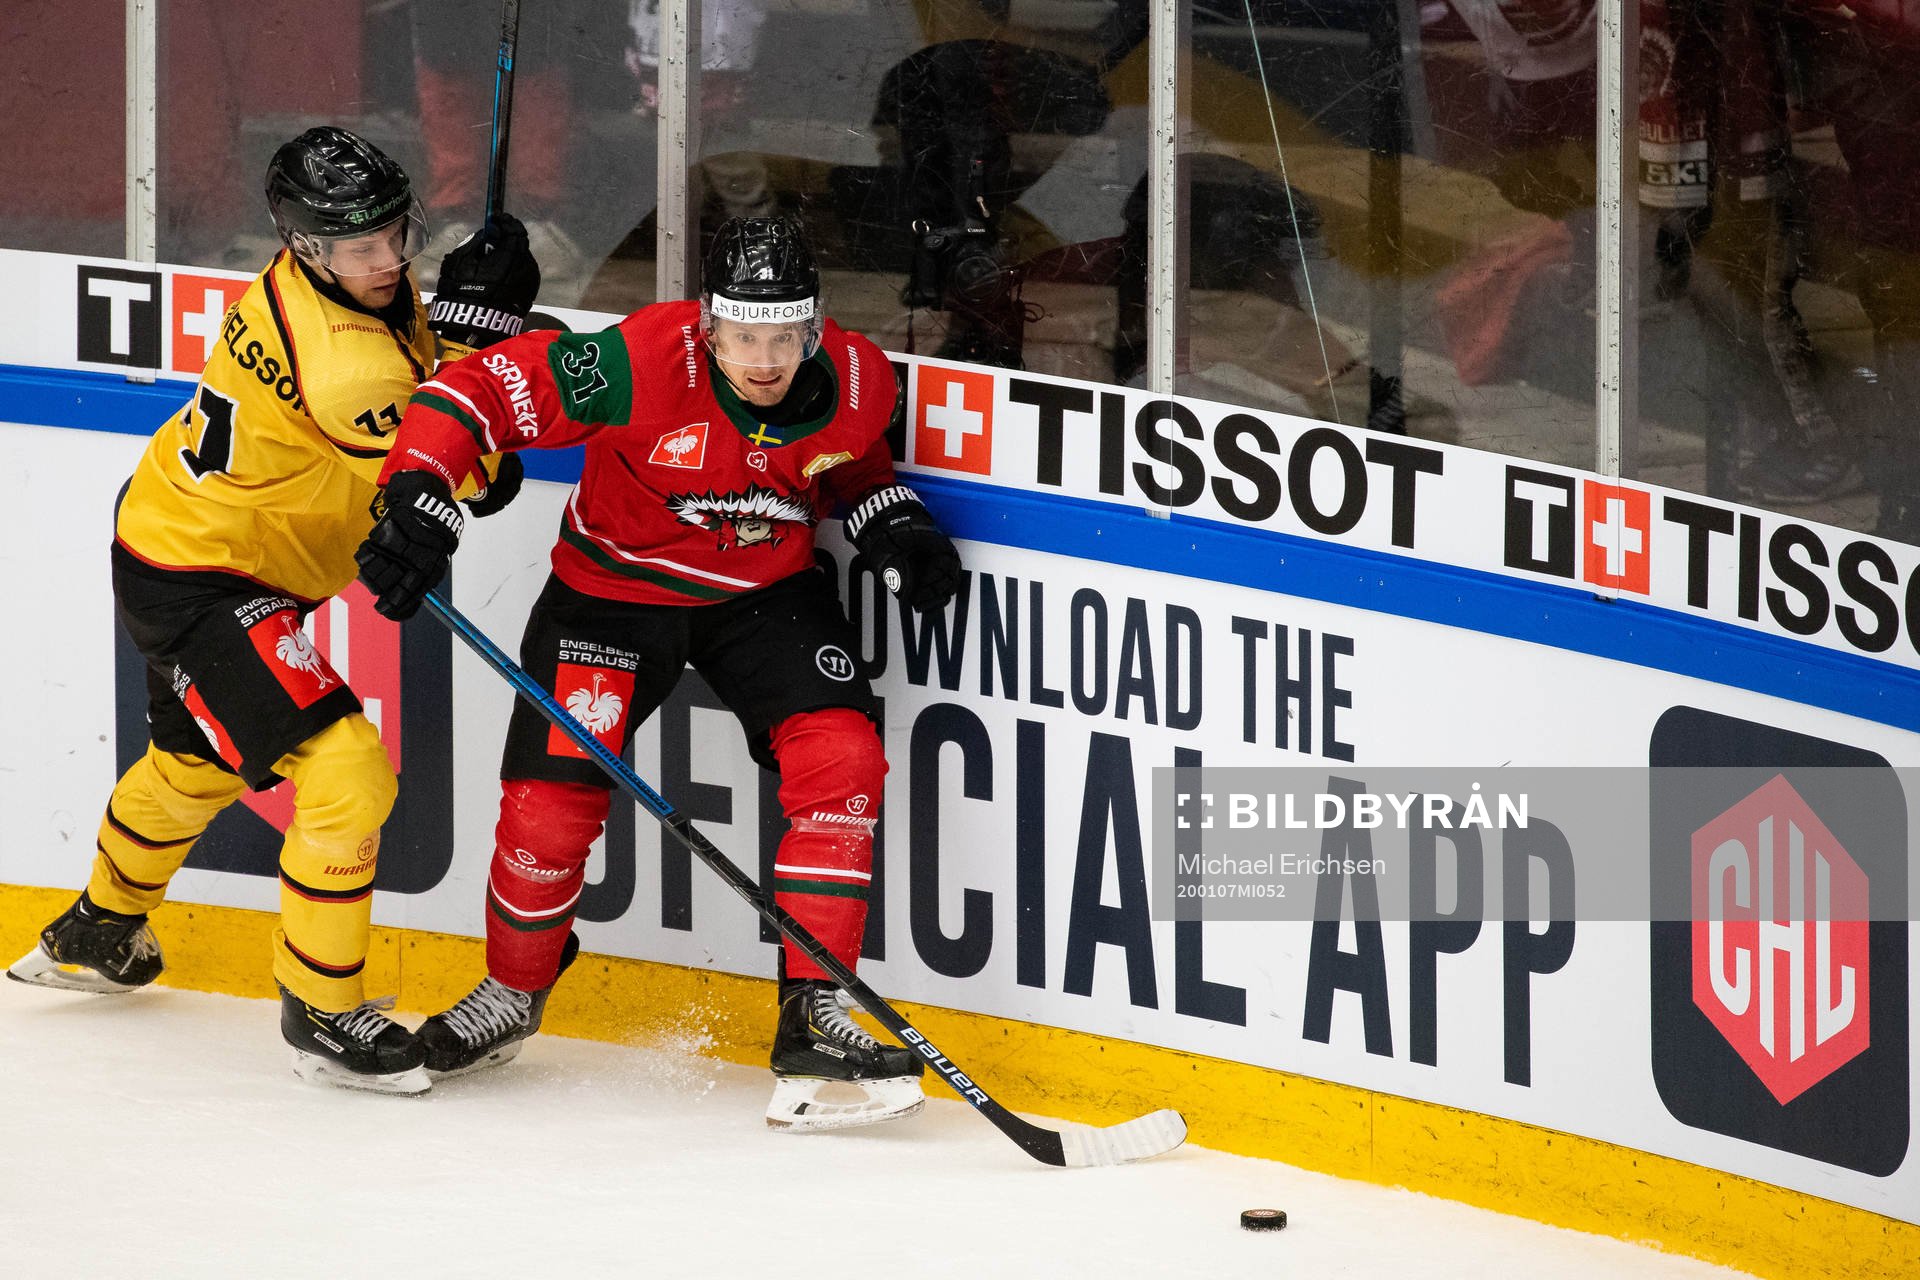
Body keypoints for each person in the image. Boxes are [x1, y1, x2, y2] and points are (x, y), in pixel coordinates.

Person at [354, 215, 962, 1130]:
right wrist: (415, 491)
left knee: (843, 763)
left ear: (816, 327)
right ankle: (515, 990)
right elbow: (473, 392)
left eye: (785, 337)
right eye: (746, 337)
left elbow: (846, 462)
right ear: (708, 327)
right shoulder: (642, 361)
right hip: (609, 597)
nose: (765, 359)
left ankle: (815, 1016)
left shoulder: (858, 376)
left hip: (761, 597)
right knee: (547, 811)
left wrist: (891, 516)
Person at [6, 126, 541, 1095]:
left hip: (180, 537)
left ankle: (100, 926)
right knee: (346, 775)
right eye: (363, 245)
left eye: (396, 232)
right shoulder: (347, 368)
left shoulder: (330, 283)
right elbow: (470, 464)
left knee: (193, 763)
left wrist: (460, 315)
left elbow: (426, 382)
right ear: (304, 247)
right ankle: (322, 1010)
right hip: (202, 573)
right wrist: (485, 334)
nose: (390, 260)